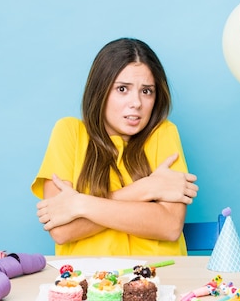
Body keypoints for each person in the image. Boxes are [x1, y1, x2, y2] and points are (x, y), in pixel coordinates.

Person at [31, 37, 198, 256]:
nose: (136, 103)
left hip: (160, 280)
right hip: (88, 283)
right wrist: (146, 189)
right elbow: (62, 230)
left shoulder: (164, 133)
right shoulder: (69, 132)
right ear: (100, 90)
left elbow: (169, 227)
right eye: (122, 89)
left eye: (146, 91)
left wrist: (80, 204)